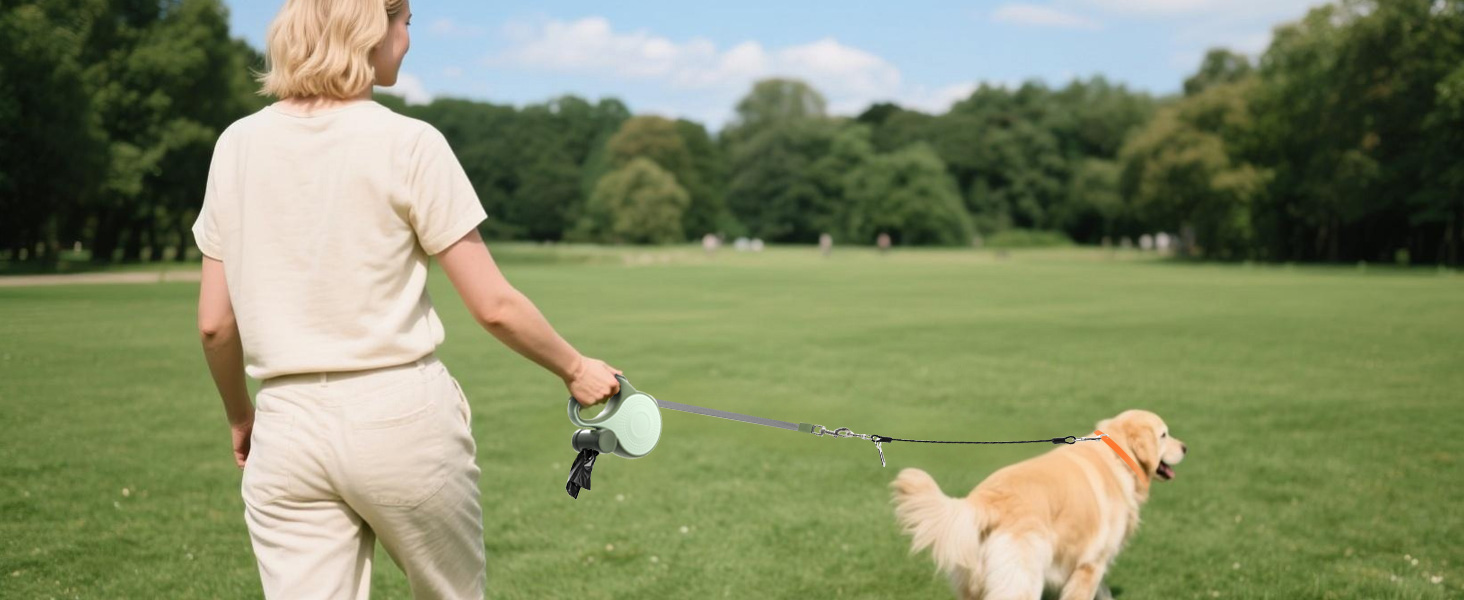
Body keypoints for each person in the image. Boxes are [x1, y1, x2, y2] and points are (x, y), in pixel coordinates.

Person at [191, 1, 622, 598]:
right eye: (407, 23)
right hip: (399, 415)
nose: (409, 39)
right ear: (373, 27)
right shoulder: (411, 142)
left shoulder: (236, 145)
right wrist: (576, 368)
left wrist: (242, 417)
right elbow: (493, 305)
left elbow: (215, 324)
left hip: (284, 425)